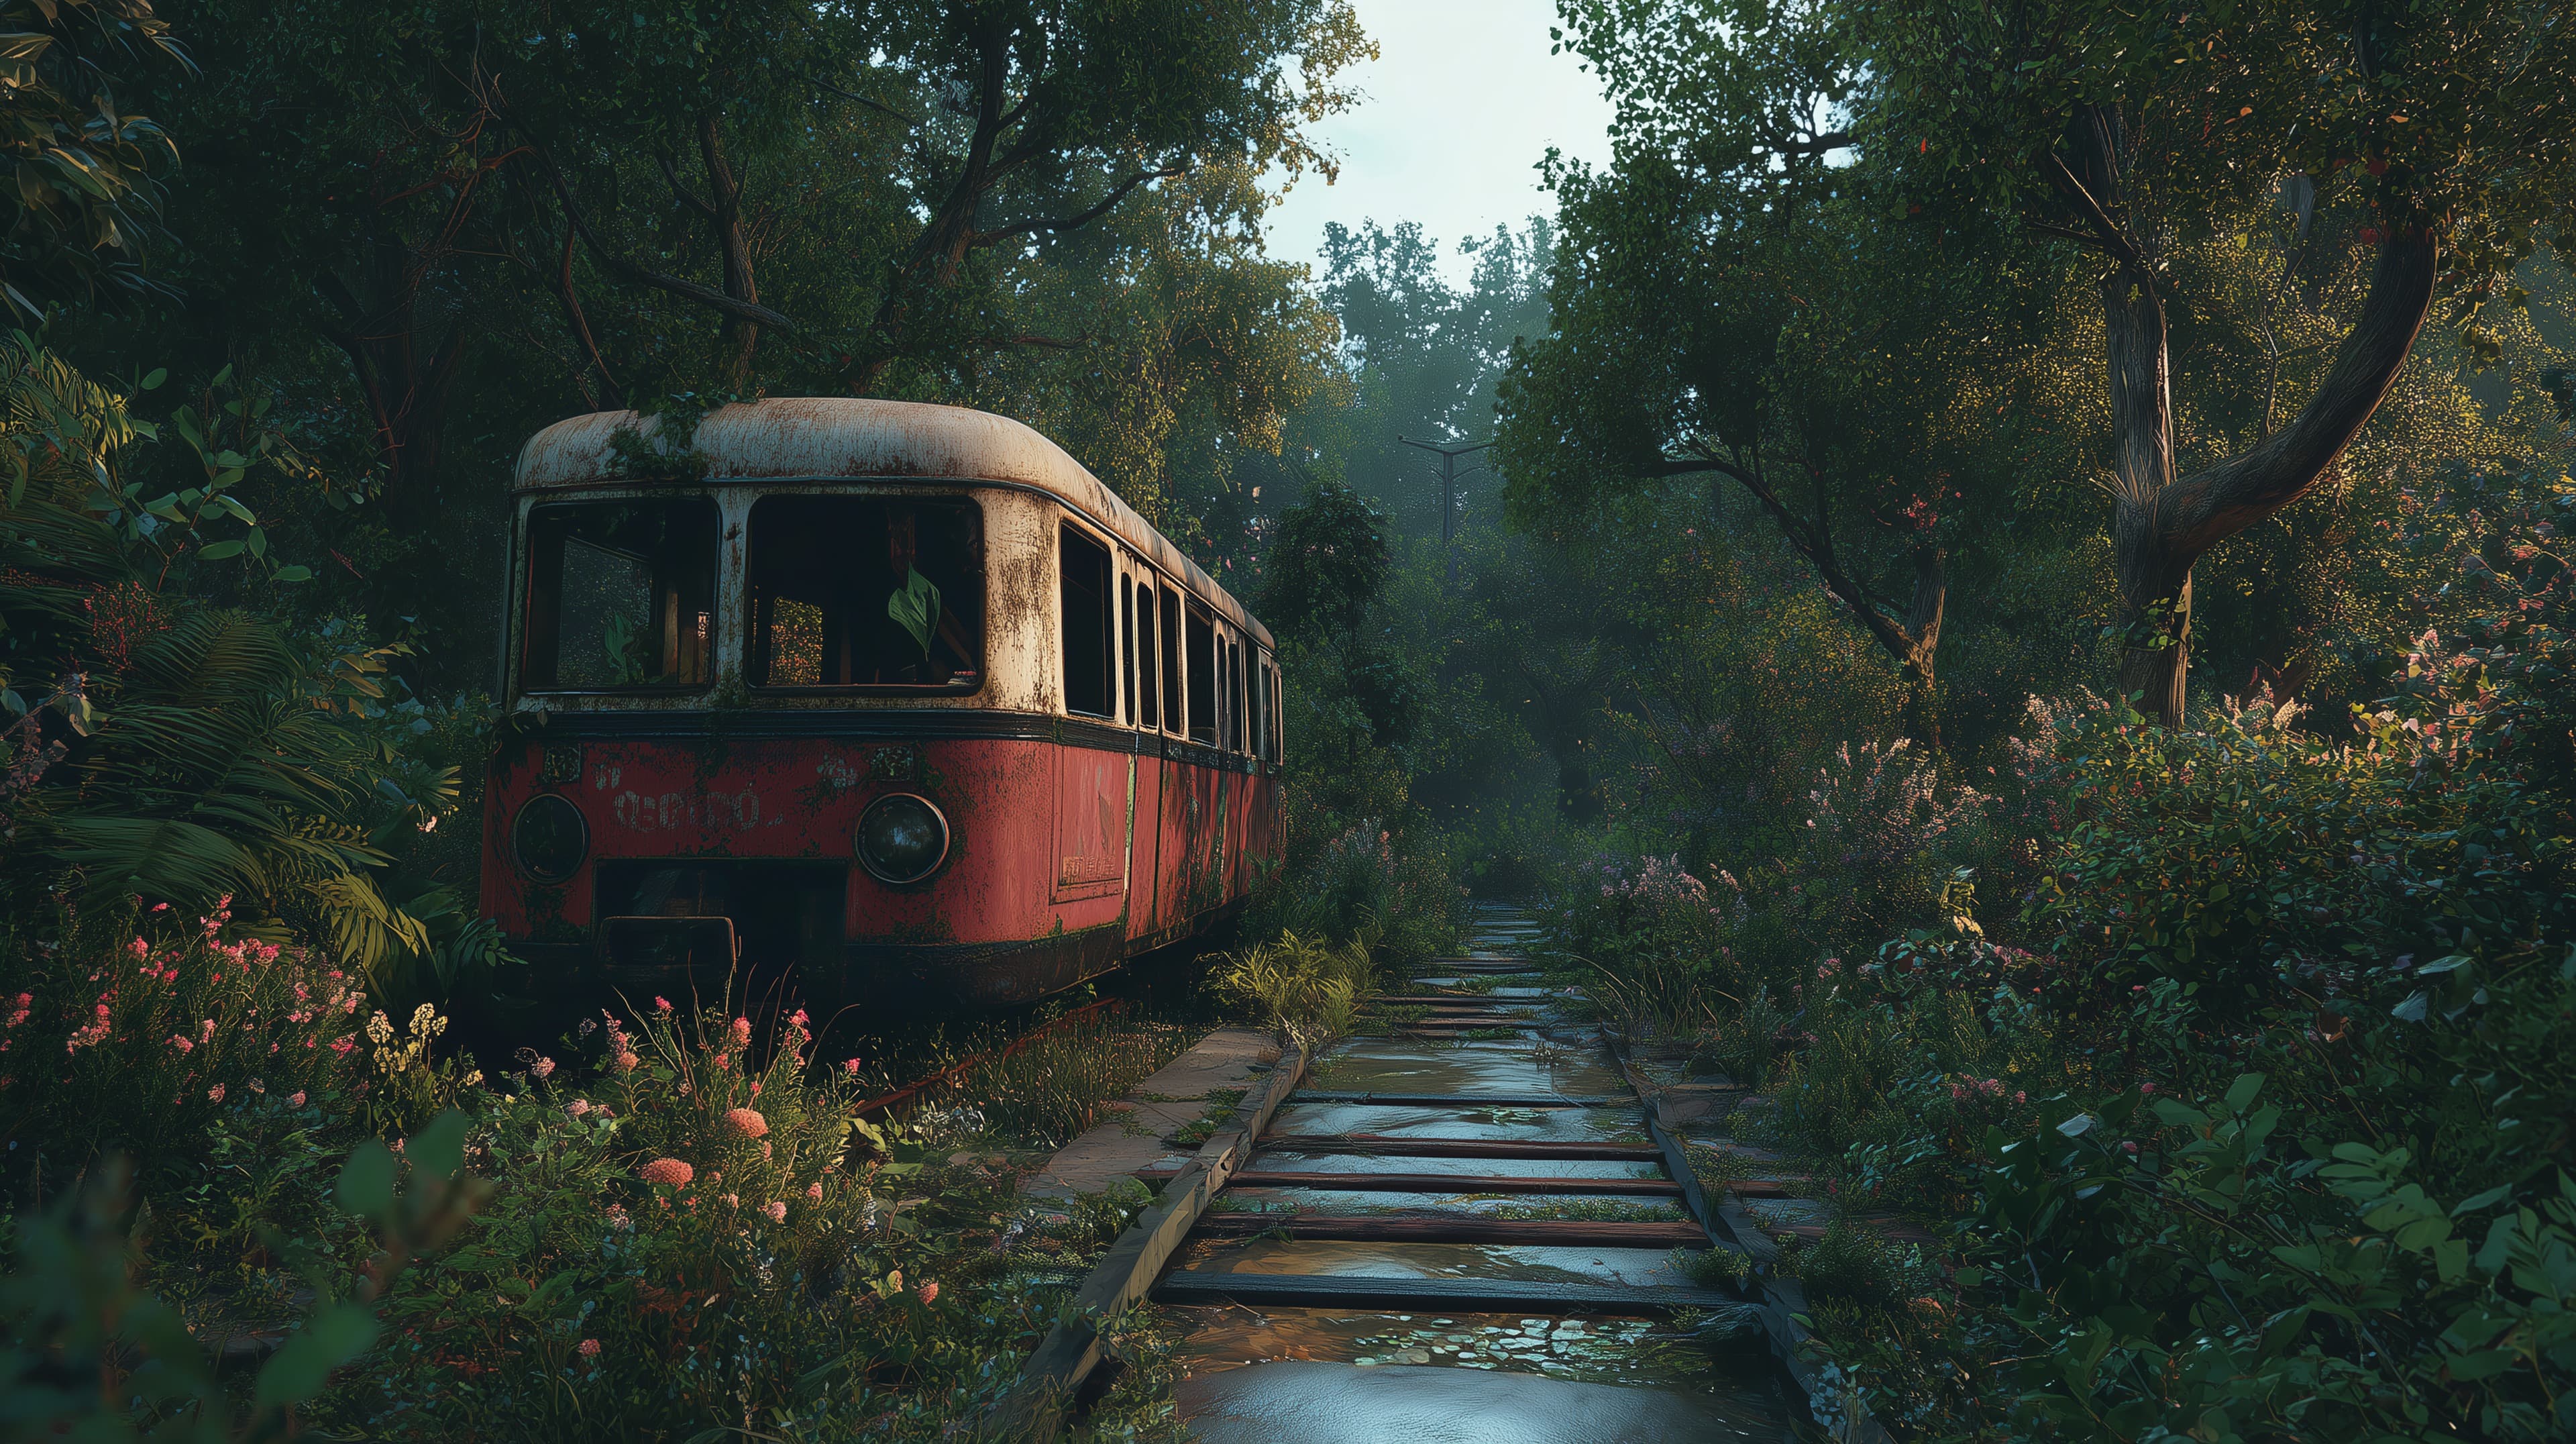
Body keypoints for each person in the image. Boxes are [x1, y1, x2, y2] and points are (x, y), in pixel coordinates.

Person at [872, 506, 976, 684]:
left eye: (905, 540)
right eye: (894, 539)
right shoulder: (883, 605)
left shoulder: (962, 595)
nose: (900, 551)